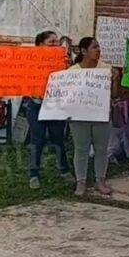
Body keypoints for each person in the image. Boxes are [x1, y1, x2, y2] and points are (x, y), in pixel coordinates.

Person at [69, 37, 121, 196]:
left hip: (101, 116)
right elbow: (67, 96)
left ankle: (100, 181)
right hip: (79, 117)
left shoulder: (106, 69)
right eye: (94, 47)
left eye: (99, 47)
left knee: (101, 149)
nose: (98, 50)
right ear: (84, 51)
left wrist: (115, 80)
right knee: (81, 149)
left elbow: (114, 95)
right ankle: (81, 182)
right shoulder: (73, 72)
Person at [26, 31, 74, 190]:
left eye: (56, 42)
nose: (55, 45)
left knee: (57, 138)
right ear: (40, 45)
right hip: (36, 105)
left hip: (55, 106)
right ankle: (34, 174)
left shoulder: (62, 62)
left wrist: (68, 64)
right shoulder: (29, 61)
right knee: (37, 140)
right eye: (51, 42)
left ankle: (64, 170)